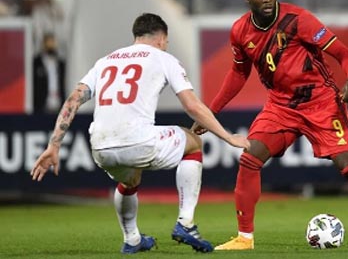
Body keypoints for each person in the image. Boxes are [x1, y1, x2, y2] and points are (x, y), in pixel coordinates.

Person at [191, 0, 348, 250]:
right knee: (250, 159)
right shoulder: (240, 31)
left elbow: (344, 54)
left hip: (321, 102)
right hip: (281, 105)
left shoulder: (298, 20)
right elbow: (238, 73)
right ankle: (244, 238)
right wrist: (211, 113)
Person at [30, 13, 250, 254]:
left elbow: (73, 100)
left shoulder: (105, 61)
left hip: (101, 148)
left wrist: (54, 145)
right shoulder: (163, 57)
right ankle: (185, 223)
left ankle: (132, 239)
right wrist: (228, 137)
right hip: (137, 141)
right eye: (166, 41)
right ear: (161, 38)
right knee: (194, 143)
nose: (166, 45)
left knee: (130, 179)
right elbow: (193, 106)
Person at [33, 32, 66, 113]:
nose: (50, 45)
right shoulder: (36, 63)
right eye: (48, 42)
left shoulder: (60, 63)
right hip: (41, 105)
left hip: (58, 103)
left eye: (52, 42)